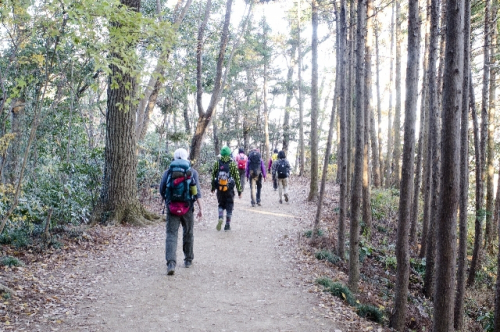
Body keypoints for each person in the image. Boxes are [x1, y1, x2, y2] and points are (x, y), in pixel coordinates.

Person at [160, 148, 202, 275]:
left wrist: (167, 202)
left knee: (171, 234)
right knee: (188, 232)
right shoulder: (192, 172)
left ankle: (171, 263)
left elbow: (162, 189)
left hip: (172, 207)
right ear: (186, 157)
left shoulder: (168, 172)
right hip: (187, 207)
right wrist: (201, 208)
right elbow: (197, 193)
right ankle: (188, 259)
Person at [211, 146, 242, 231]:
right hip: (229, 189)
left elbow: (213, 176)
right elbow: (237, 178)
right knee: (229, 206)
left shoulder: (217, 163)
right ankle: (227, 225)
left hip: (220, 189)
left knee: (221, 204)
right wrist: (239, 191)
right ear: (229, 154)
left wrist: (213, 187)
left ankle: (220, 217)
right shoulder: (232, 164)